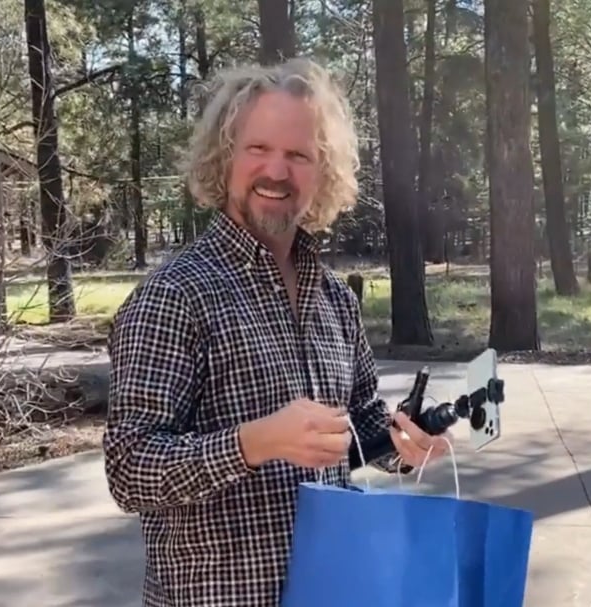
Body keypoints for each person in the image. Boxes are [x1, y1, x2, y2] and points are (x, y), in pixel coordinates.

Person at [103, 57, 452, 607]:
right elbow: (129, 469)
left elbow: (356, 427)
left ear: (323, 171)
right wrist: (255, 443)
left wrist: (405, 442)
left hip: (335, 590)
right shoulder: (174, 295)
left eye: (298, 155)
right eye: (258, 149)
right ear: (226, 158)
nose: (277, 171)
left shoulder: (333, 297)